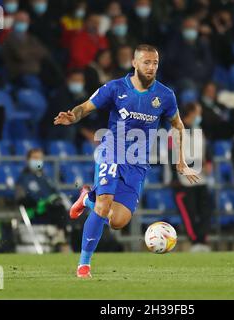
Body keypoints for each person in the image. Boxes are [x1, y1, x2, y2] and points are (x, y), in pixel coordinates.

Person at [54, 44, 200, 278]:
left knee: (117, 221)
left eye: (155, 63)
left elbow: (178, 126)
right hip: (111, 150)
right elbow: (86, 107)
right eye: (146, 62)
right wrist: (73, 116)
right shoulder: (115, 88)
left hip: (137, 163)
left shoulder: (165, 95)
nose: (151, 67)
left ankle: (87, 198)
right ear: (134, 63)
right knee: (105, 203)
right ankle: (84, 265)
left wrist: (180, 161)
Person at [171, 102, 212, 252]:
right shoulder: (176, 131)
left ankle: (203, 240)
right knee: (190, 214)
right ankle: (195, 241)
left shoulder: (199, 131)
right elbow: (174, 156)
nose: (200, 116)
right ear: (191, 113)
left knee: (206, 211)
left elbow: (205, 150)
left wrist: (208, 161)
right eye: (198, 112)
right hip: (184, 181)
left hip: (202, 179)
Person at [15, 148, 69, 229]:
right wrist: (41, 203)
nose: (38, 161)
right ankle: (64, 234)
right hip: (34, 212)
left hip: (50, 209)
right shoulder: (23, 179)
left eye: (40, 158)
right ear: (28, 160)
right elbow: (21, 199)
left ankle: (70, 234)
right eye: (35, 158)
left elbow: (54, 192)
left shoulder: (45, 178)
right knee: (59, 210)